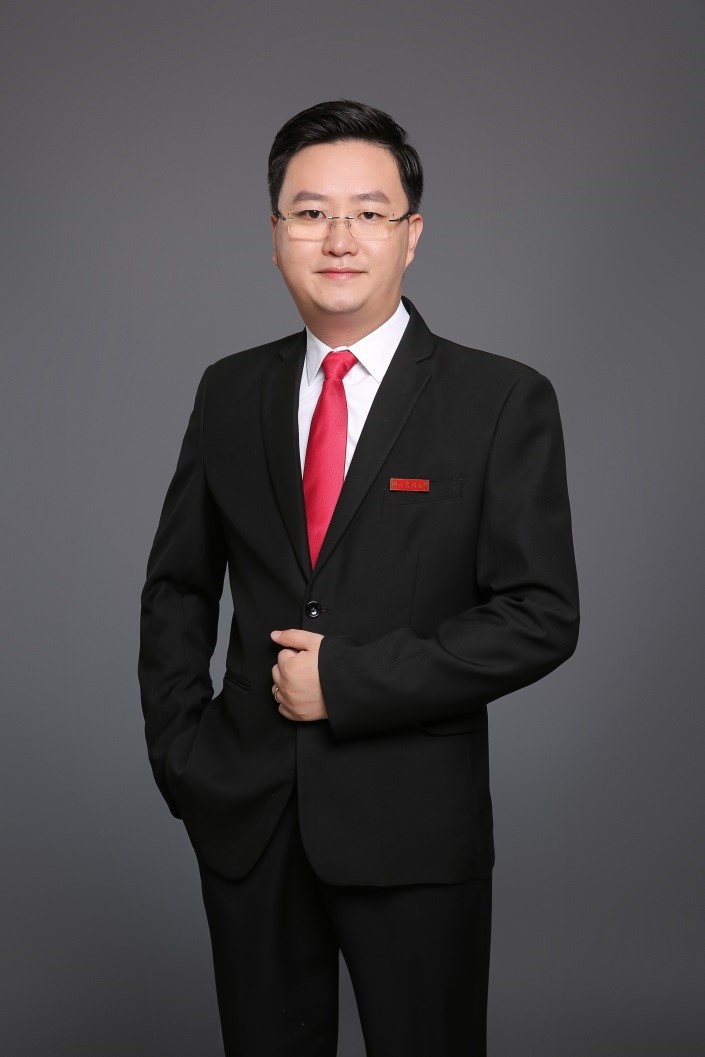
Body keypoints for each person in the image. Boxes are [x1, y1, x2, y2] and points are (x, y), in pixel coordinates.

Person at [138, 99, 579, 1057]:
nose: (338, 237)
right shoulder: (229, 389)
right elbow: (177, 585)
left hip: (413, 825)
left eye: (368, 212)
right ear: (275, 236)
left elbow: (540, 614)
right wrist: (183, 754)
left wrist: (345, 681)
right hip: (247, 815)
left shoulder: (500, 398)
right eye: (310, 212)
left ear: (410, 235)